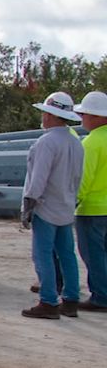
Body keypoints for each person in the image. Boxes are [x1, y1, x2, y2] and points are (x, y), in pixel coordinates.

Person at [20, 92, 83, 319]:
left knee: (43, 255)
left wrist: (28, 204)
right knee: (67, 254)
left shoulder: (46, 143)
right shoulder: (76, 143)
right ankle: (71, 299)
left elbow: (38, 179)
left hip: (46, 206)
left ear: (49, 114)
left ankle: (48, 301)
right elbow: (78, 177)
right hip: (66, 206)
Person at [75, 91, 107, 313]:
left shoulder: (91, 143)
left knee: (93, 253)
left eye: (85, 114)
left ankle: (101, 297)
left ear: (96, 117)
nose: (82, 118)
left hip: (92, 209)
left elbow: (83, 179)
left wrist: (73, 201)